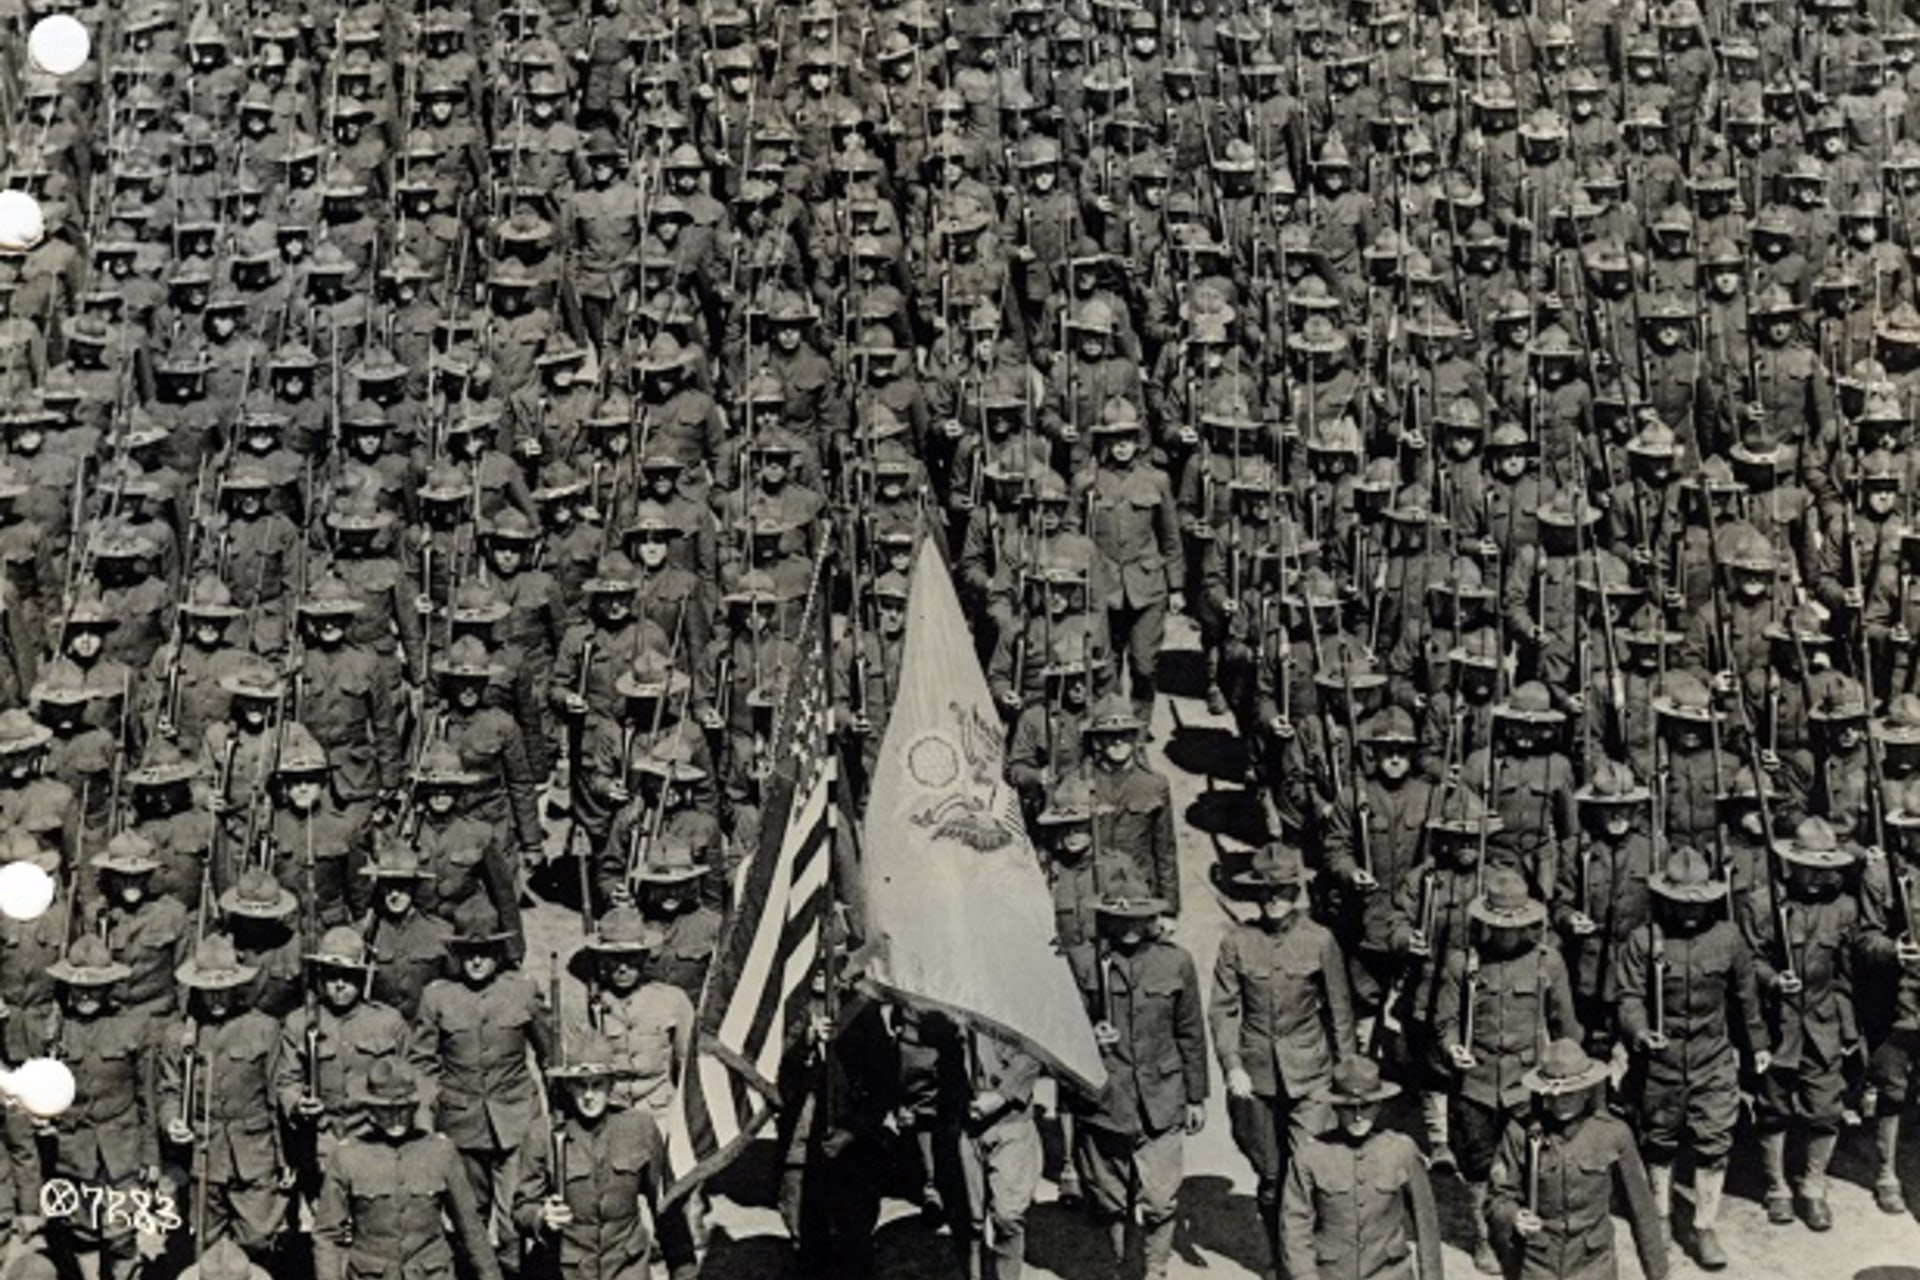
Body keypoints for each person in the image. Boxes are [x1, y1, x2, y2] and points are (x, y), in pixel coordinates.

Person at [1615, 846, 1768, 1270]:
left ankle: (1704, 1225)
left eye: (1697, 903)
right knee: (1659, 1140)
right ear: (1664, 898)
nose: (1688, 911)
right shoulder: (1643, 940)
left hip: (1712, 1056)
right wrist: (1639, 1031)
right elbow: (1628, 996)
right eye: (1680, 903)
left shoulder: (1728, 938)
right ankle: (1661, 1217)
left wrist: (1758, 1046)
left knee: (1714, 1141)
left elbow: (1745, 998)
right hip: (1661, 1060)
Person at [1210, 841, 1355, 1267]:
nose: (1274, 900)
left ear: (1297, 892)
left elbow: (1340, 1015)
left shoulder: (1320, 941)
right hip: (1256, 1079)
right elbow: (1223, 1009)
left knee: (1307, 1173)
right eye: (1266, 891)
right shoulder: (1237, 943)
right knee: (1272, 1178)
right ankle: (1278, 1259)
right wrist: (1232, 1064)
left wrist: (1345, 1079)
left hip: (1311, 1076)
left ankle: (1308, 1264)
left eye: (1284, 890)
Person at [1066, 895, 1208, 1280]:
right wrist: (1090, 1034)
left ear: (1153, 918)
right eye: (1118, 918)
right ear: (1104, 918)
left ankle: (1155, 1269)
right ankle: (1117, 1267)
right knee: (1108, 1199)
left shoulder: (1175, 962)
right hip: (1106, 1097)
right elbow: (1064, 1030)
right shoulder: (1083, 963)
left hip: (1162, 1097)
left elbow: (1190, 1032)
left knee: (1161, 1199)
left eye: (1139, 917)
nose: (1129, 927)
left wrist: (1197, 1096)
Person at [1486, 1039, 1669, 1280]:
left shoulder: (1613, 1134)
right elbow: (1497, 1199)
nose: (1560, 1101)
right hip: (1537, 1265)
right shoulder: (1520, 1132)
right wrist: (1513, 1216)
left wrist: (1658, 1274)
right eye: (1552, 1093)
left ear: (1586, 1090)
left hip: (1594, 1265)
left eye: (1569, 1094)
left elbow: (1641, 1212)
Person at [313, 1059, 503, 1280]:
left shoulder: (440, 1151)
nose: (396, 1118)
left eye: (404, 1109)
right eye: (386, 1110)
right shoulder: (348, 1156)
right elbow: (327, 1235)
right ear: (371, 1109)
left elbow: (471, 1229)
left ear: (415, 1106)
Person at [512, 1030, 667, 1280]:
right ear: (566, 1085)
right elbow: (522, 1207)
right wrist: (541, 1216)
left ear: (611, 1083)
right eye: (580, 1084)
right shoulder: (542, 1133)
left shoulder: (640, 1128)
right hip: (570, 1270)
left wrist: (684, 1272)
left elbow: (665, 1206)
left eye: (597, 1084)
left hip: (628, 1267)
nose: (588, 1095)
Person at [1281, 1055, 1442, 1280]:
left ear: (1379, 1105)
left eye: (1365, 1106)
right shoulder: (1310, 1156)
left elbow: (1426, 1224)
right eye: (1348, 1108)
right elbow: (1295, 1228)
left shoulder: (1401, 1150)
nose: (1358, 1117)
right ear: (1335, 1107)